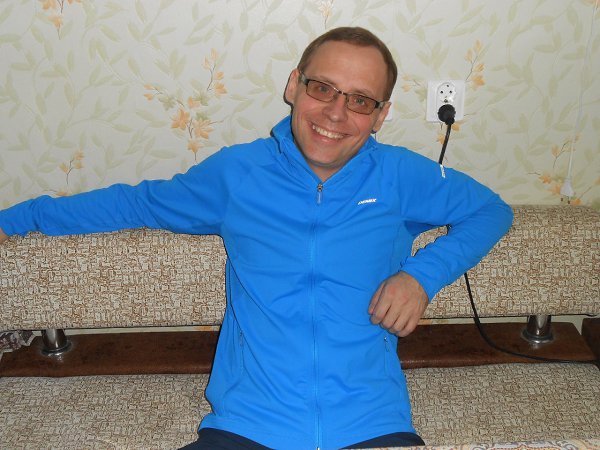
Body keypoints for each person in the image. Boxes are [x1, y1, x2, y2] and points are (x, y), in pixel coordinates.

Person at [0, 27, 513, 449]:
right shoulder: (237, 174)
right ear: (294, 86)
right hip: (246, 427)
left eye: (360, 100)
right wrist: (13, 219)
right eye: (322, 88)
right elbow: (135, 203)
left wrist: (420, 277)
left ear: (380, 115)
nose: (336, 113)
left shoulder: (401, 176)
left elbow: (491, 211)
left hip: (371, 425)